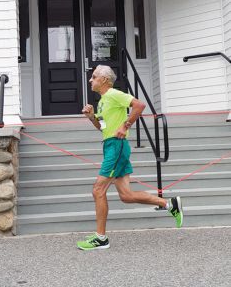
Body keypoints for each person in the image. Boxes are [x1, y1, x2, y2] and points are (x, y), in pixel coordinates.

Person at [77, 65, 183, 251]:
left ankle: (101, 238)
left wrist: (125, 126)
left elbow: (139, 105)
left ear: (104, 79)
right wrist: (91, 117)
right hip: (111, 145)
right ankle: (169, 204)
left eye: (93, 77)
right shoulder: (102, 100)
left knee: (98, 190)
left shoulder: (113, 94)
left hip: (116, 147)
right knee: (126, 196)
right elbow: (101, 127)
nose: (90, 80)